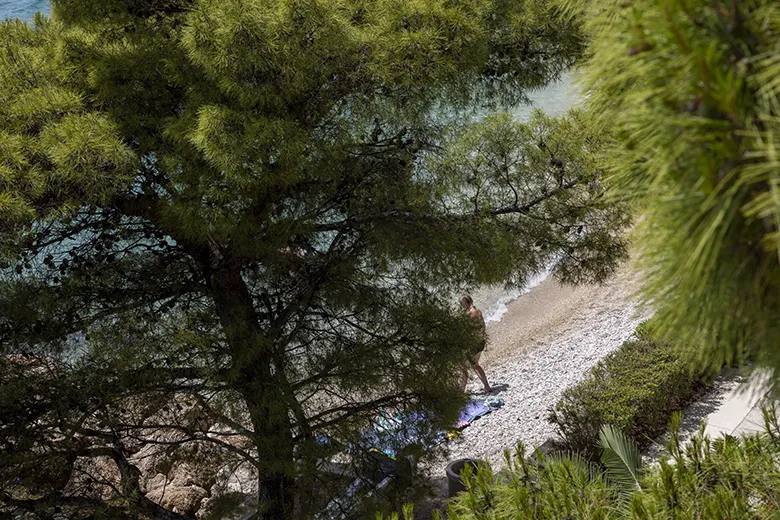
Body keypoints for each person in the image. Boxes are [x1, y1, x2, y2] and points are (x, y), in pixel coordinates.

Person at [459, 295, 492, 394]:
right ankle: (486, 386)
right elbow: (482, 327)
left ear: (465, 303)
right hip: (481, 342)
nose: (461, 305)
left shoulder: (469, 314)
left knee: (465, 367)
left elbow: (466, 331)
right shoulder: (478, 311)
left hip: (474, 344)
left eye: (461, 303)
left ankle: (460, 392)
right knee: (474, 365)